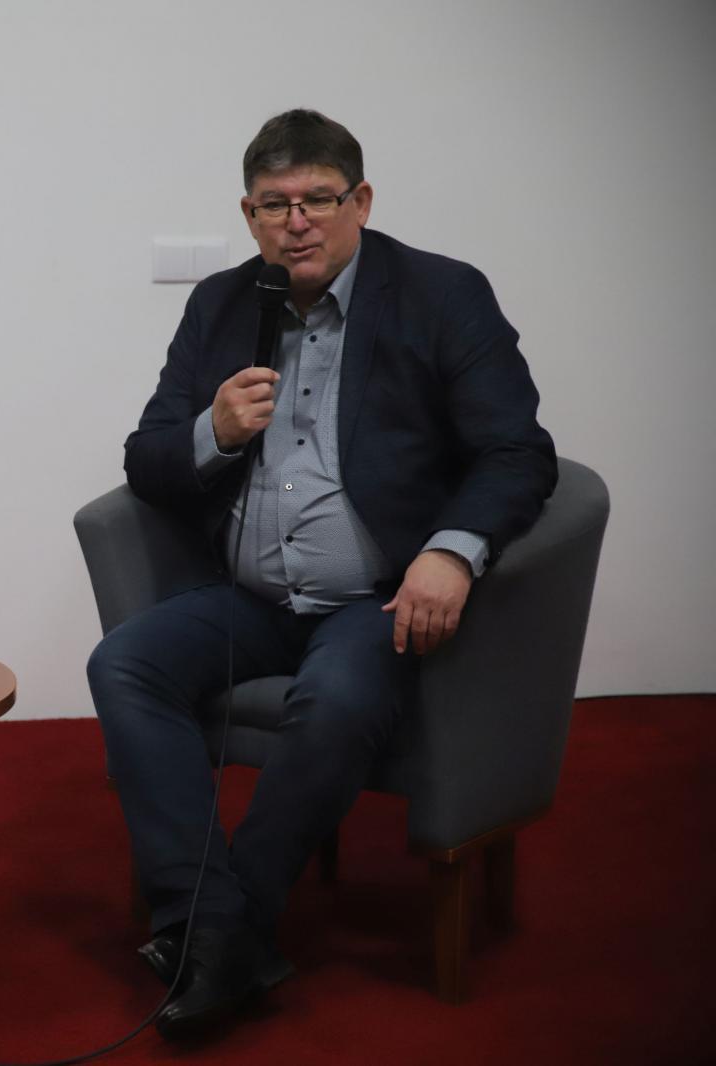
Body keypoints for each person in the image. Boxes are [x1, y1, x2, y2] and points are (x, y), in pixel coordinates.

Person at [86, 110, 556, 1039]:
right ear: (249, 215)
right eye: (274, 205)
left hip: (373, 600)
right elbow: (147, 458)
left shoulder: (441, 295)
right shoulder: (222, 304)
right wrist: (213, 431)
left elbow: (517, 452)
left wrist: (450, 548)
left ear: (361, 201)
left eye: (318, 200)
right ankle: (212, 926)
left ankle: (222, 930)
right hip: (250, 597)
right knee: (124, 664)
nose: (296, 222)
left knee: (337, 697)